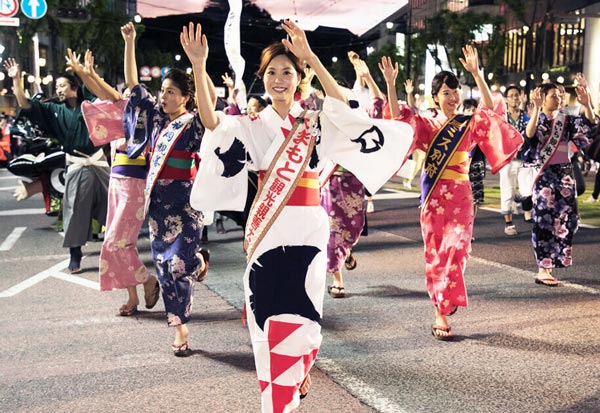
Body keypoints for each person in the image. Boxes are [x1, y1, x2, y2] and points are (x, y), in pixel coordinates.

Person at [184, 20, 412, 412]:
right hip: (269, 229)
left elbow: (344, 108)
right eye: (271, 72)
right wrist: (200, 66)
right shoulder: (254, 125)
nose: (278, 79)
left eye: (287, 71)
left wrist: (312, 56)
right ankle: (279, 400)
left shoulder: (314, 118)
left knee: (304, 317)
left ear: (299, 77)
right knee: (266, 314)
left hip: (308, 226)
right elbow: (212, 123)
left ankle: (300, 363)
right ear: (263, 78)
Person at [380, 47, 523, 341]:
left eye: (455, 91)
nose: (452, 97)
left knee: (457, 250)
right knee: (435, 253)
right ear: (436, 98)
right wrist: (392, 85)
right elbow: (398, 120)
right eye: (445, 92)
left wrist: (476, 72)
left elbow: (492, 111)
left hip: (460, 195)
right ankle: (440, 312)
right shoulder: (427, 125)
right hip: (433, 198)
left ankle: (446, 296)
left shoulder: (467, 124)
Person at [121, 22, 209, 356]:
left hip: (186, 204)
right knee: (165, 267)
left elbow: (211, 125)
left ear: (186, 97)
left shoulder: (194, 123)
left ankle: (198, 260)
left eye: (172, 91)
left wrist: (199, 68)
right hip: (159, 205)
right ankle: (180, 331)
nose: (164, 95)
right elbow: (133, 87)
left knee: (179, 265)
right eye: (163, 90)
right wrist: (130, 42)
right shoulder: (156, 119)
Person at [67, 48, 161, 317]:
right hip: (118, 181)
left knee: (115, 243)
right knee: (116, 243)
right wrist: (86, 73)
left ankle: (147, 280)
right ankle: (132, 297)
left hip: (134, 184)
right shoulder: (125, 113)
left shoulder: (142, 114)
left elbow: (115, 91)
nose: (128, 96)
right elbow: (107, 93)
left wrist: (129, 42)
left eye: (135, 95)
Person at [4, 57, 110, 274]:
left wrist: (81, 71)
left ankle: (116, 251)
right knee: (73, 211)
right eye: (57, 86)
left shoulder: (87, 102)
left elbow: (97, 91)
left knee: (112, 207)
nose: (58, 89)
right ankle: (75, 254)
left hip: (98, 161)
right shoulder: (53, 109)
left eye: (62, 85)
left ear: (74, 88)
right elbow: (25, 103)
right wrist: (16, 79)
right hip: (75, 163)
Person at [524, 76, 595, 287]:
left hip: (565, 176)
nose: (559, 98)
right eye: (554, 96)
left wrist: (587, 104)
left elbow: (589, 128)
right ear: (542, 99)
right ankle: (543, 268)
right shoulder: (539, 119)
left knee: (567, 221)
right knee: (544, 221)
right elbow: (529, 136)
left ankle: (555, 262)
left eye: (560, 95)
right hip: (545, 176)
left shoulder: (568, 120)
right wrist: (536, 110)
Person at [500, 85, 532, 236]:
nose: (514, 98)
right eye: (511, 95)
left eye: (517, 95)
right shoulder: (501, 118)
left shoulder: (527, 116)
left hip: (524, 158)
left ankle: (525, 209)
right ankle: (508, 224)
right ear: (506, 99)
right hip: (507, 160)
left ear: (521, 97)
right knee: (507, 189)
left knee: (528, 188)